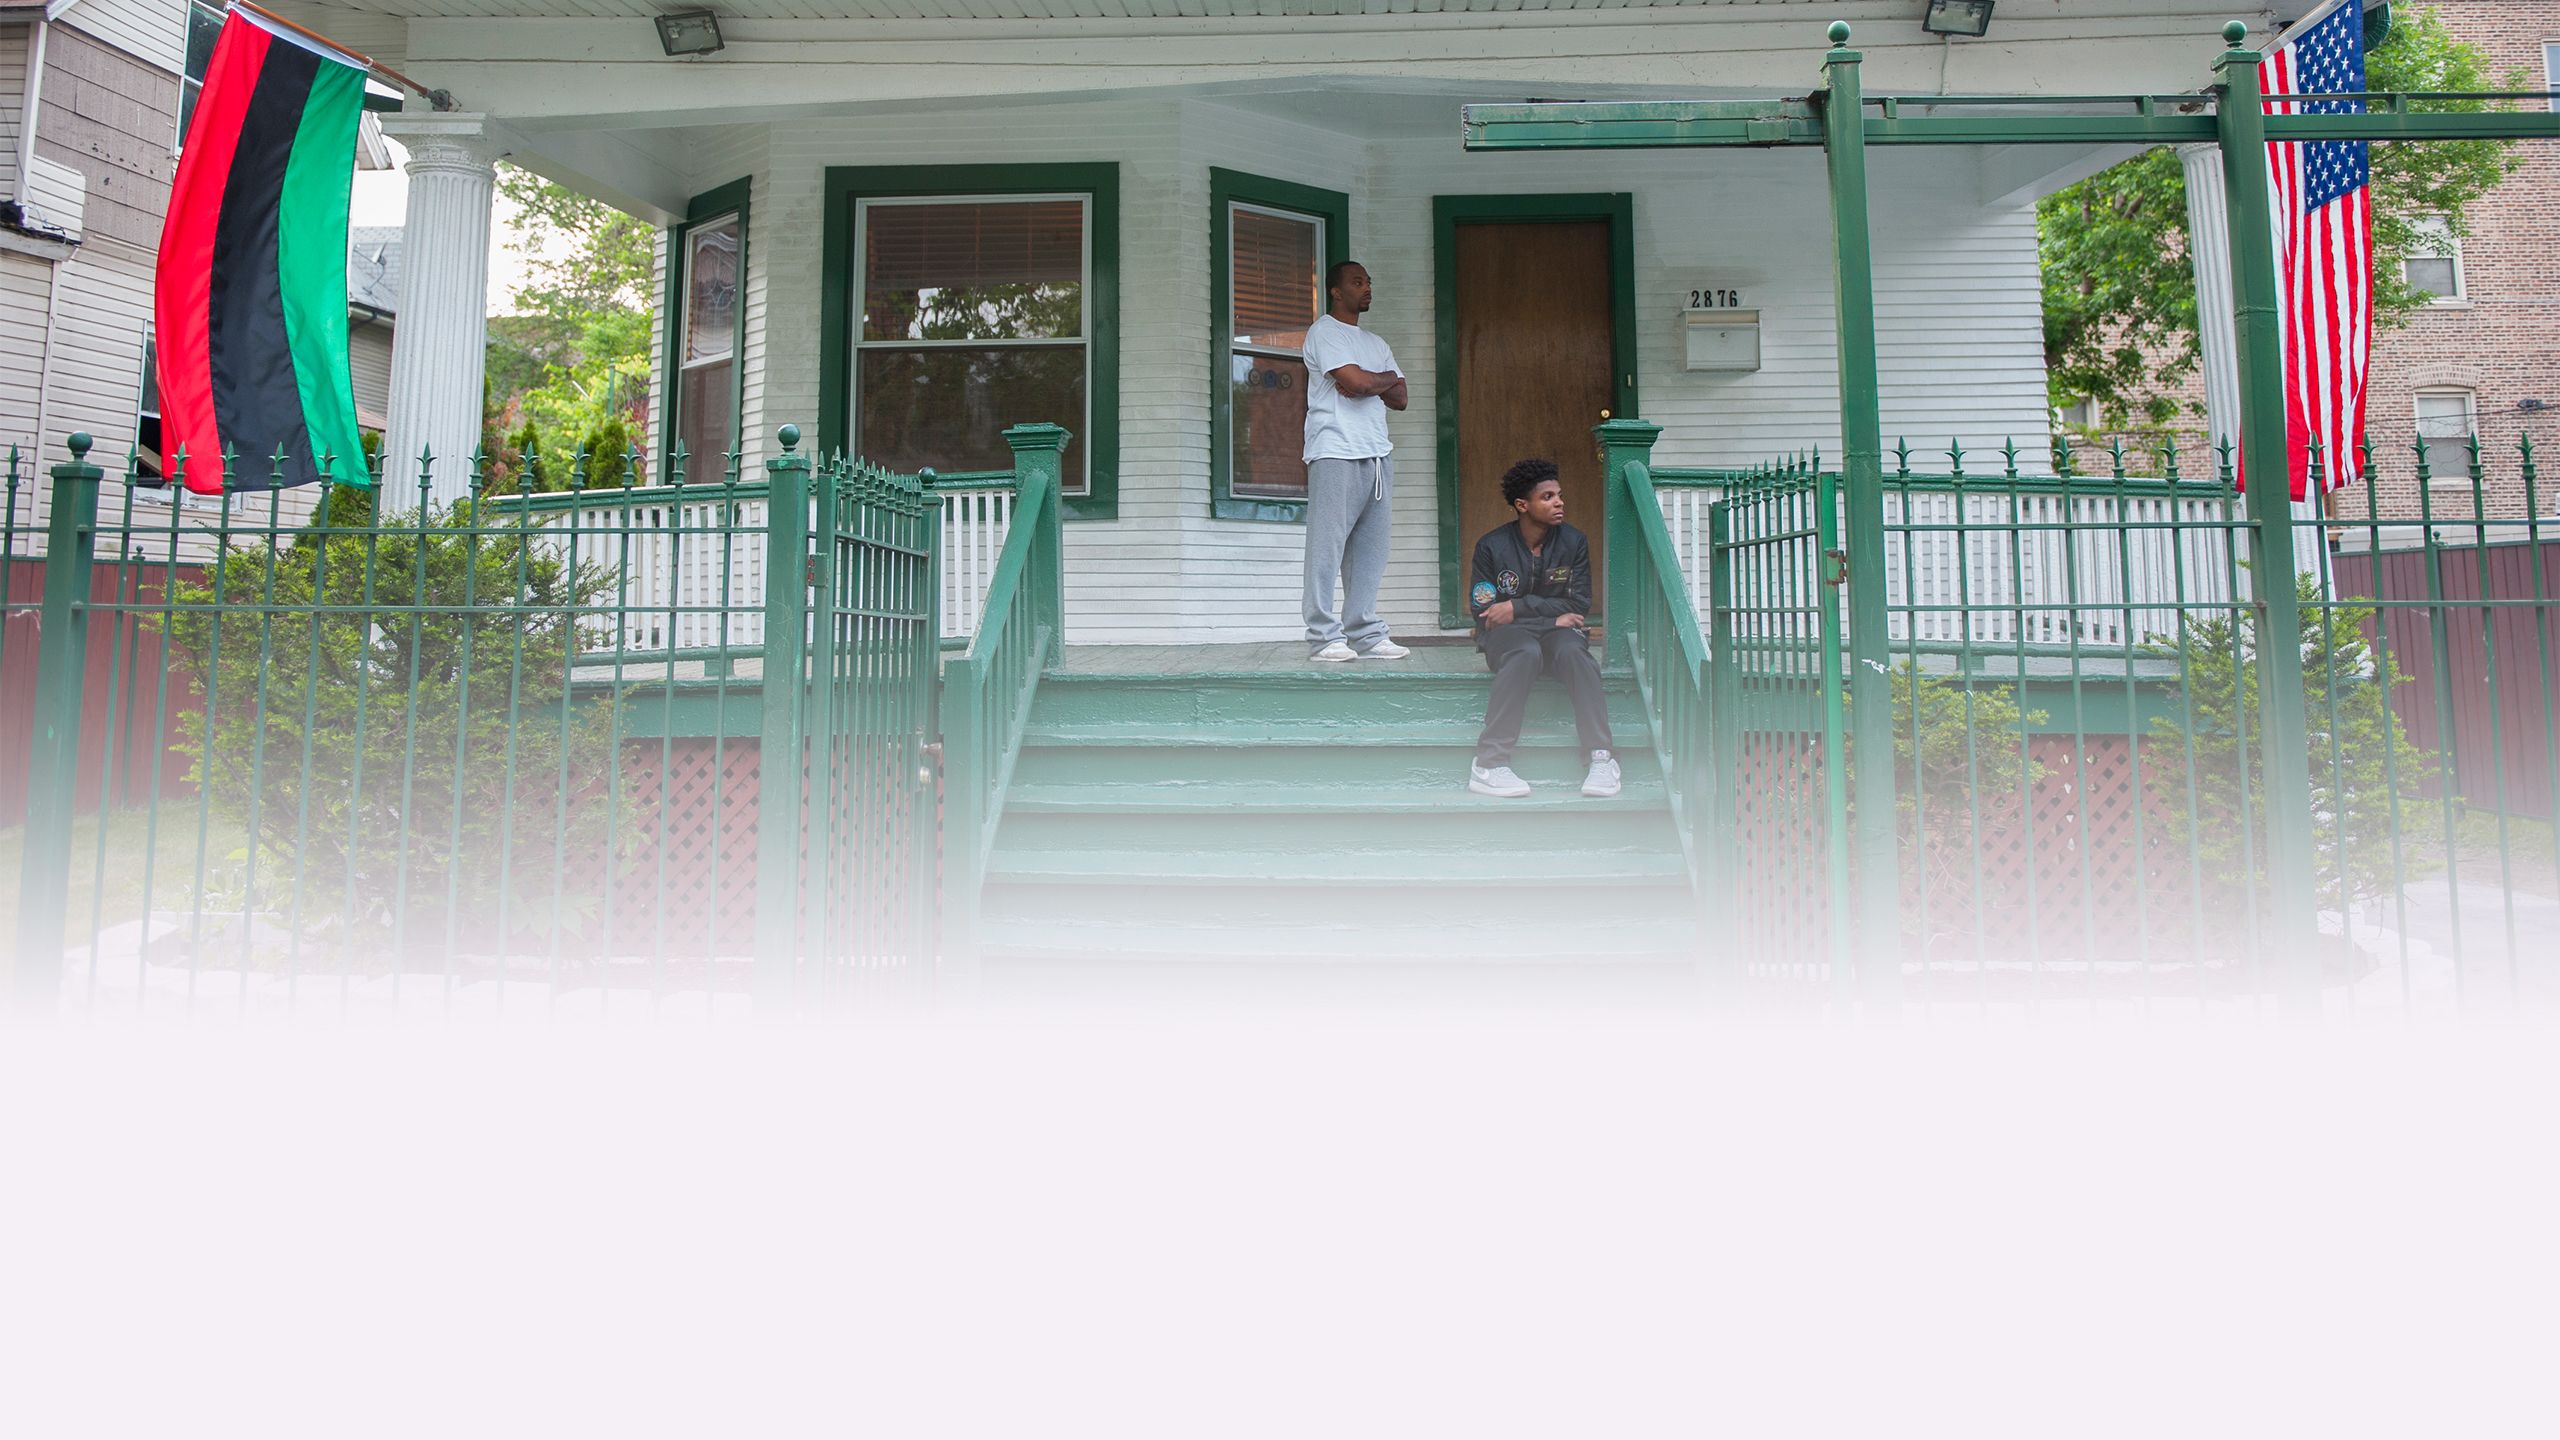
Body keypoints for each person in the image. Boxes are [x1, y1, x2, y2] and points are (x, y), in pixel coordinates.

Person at [1466, 458, 1618, 799]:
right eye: (1547, 497)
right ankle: (1489, 764)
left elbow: (1578, 605)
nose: (1559, 502)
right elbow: (1485, 612)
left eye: (1559, 495)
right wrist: (1550, 617)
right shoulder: (1491, 546)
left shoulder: (1573, 542)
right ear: (1523, 505)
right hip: (1510, 640)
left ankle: (1601, 757)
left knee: (1573, 652)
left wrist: (1518, 606)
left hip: (1557, 636)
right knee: (1524, 650)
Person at [1299, 260, 1410, 662]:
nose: (1367, 288)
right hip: (1335, 451)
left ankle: (1364, 633)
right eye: (1357, 282)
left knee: (1371, 550)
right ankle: (1323, 636)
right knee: (1326, 547)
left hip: (1378, 454)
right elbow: (1359, 382)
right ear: (1335, 291)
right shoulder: (1324, 332)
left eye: (1369, 281)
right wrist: (1376, 381)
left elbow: (1400, 398)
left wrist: (1372, 382)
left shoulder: (1376, 343)